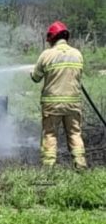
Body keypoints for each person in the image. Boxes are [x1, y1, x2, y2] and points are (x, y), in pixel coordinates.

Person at [31, 21, 86, 169]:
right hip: (73, 104)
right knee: (75, 133)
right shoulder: (77, 54)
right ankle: (80, 164)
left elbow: (36, 78)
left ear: (52, 38)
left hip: (52, 105)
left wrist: (33, 71)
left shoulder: (46, 55)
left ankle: (49, 168)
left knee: (50, 134)